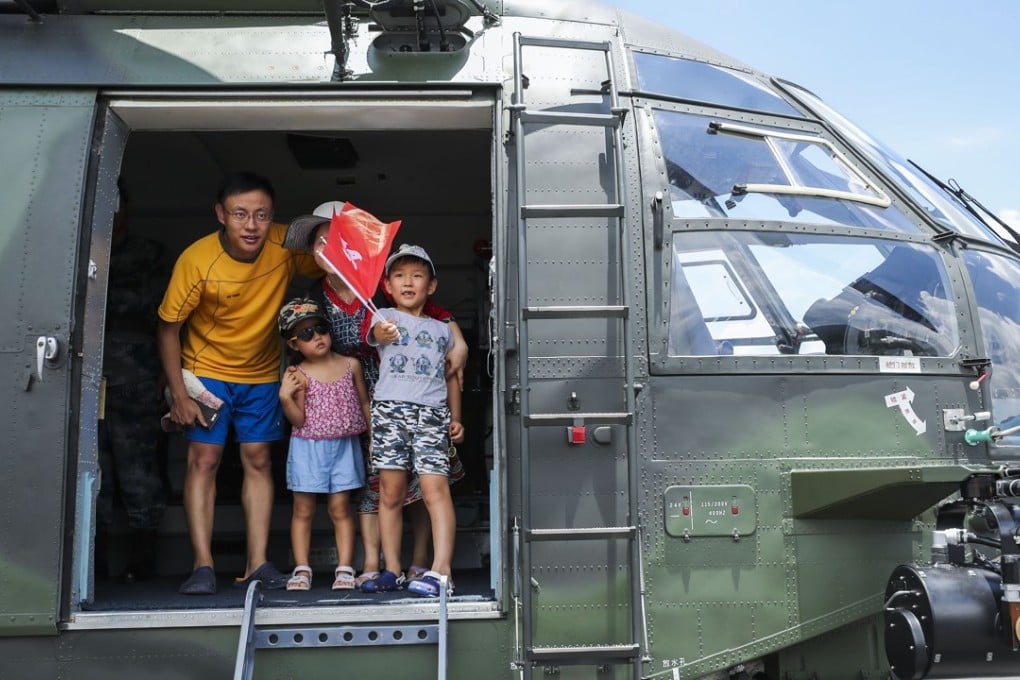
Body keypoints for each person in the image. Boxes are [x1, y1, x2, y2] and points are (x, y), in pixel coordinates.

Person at [284, 202, 468, 587]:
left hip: (406, 396)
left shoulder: (376, 288)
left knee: (423, 485)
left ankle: (424, 563)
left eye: (337, 243)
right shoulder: (314, 295)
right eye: (321, 245)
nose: (329, 252)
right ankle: (377, 563)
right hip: (345, 398)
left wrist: (456, 338)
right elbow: (301, 338)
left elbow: (430, 312)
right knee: (375, 483)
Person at [157, 171, 321, 595]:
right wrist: (178, 393)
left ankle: (258, 563)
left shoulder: (283, 244)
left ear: (272, 218)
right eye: (240, 214)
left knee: (259, 461)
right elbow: (167, 328)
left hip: (263, 372)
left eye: (262, 215)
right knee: (204, 461)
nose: (251, 225)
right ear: (221, 215)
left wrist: (339, 227)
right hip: (206, 369)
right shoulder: (197, 260)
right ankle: (202, 566)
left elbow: (328, 259)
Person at [363, 243, 463, 597]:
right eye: (399, 276)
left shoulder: (443, 330)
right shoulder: (382, 316)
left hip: (432, 415)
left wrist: (457, 417)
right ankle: (392, 569)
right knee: (390, 493)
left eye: (417, 276)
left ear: (431, 286)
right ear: (387, 285)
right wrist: (383, 334)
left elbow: (452, 375)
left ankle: (442, 571)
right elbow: (376, 336)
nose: (408, 282)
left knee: (436, 490)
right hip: (390, 412)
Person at [97, 179, 168, 583]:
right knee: (94, 472)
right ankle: (95, 559)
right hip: (88, 380)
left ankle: (144, 560)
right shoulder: (77, 252)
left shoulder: (148, 254)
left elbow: (165, 313)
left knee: (139, 470)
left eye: (117, 203)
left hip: (138, 377)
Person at [277, 298, 370, 591]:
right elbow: (299, 420)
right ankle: (302, 569)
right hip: (308, 447)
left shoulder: (350, 364)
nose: (316, 337)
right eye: (305, 334)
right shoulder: (297, 374)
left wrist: (374, 438)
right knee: (303, 509)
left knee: (341, 508)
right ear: (293, 344)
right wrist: (285, 398)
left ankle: (344, 568)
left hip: (345, 445)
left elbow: (364, 402)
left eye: (321, 329)